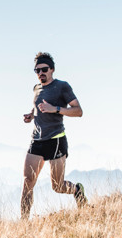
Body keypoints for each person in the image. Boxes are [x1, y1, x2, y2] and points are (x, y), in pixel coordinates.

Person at [21, 52, 87, 218]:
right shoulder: (36, 88)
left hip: (56, 140)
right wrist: (31, 115)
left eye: (44, 69)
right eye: (37, 70)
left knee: (57, 186)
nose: (40, 73)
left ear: (52, 69)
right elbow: (38, 106)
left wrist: (55, 109)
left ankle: (77, 190)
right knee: (28, 181)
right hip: (37, 140)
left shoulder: (62, 86)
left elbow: (78, 111)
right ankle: (23, 223)